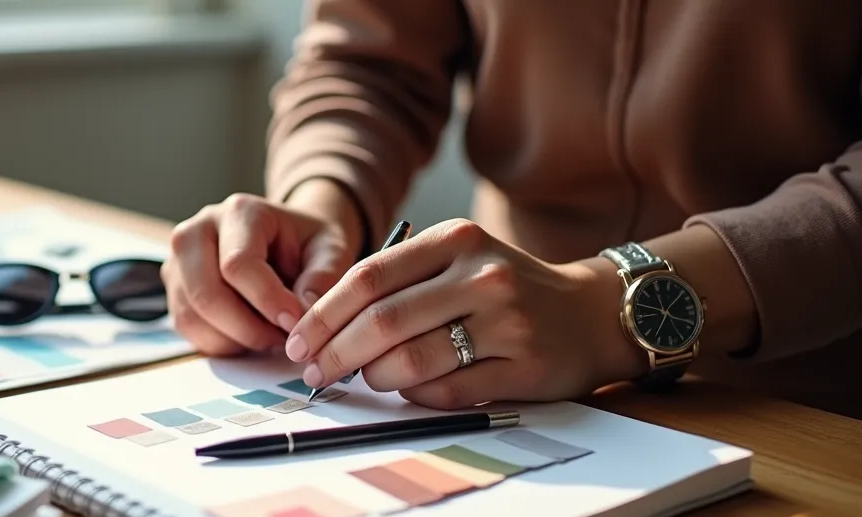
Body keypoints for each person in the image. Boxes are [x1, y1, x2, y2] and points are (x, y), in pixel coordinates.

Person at [160, 0, 862, 420]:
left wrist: (607, 305)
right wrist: (321, 199)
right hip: (503, 371)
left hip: (819, 402)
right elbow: (371, 61)